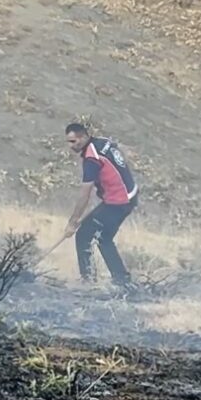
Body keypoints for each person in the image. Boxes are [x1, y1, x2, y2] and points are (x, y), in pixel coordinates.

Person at [63, 123, 138, 287]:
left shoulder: (91, 159)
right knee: (104, 238)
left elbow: (85, 194)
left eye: (74, 141)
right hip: (129, 196)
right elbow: (120, 149)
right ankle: (122, 280)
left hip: (118, 202)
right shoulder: (102, 141)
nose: (71, 146)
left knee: (83, 236)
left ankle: (88, 282)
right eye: (69, 142)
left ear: (83, 137)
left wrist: (72, 222)